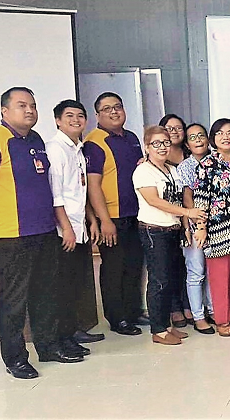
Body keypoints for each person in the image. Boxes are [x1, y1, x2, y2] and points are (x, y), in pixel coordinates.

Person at [0, 87, 82, 379]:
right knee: (13, 300)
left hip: (43, 231)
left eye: (33, 105)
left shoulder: (36, 140)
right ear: (4, 111)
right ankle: (15, 358)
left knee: (45, 294)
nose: (29, 110)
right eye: (21, 105)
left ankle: (48, 347)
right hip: (10, 236)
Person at [133, 126, 207, 345]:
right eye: (156, 143)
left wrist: (185, 226)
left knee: (171, 279)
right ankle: (158, 330)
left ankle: (167, 326)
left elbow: (179, 198)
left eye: (165, 142)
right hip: (154, 231)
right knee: (159, 280)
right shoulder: (143, 171)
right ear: (147, 147)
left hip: (173, 229)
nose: (162, 147)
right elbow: (154, 200)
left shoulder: (172, 170)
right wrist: (188, 213)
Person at [83, 92, 145, 336]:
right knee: (114, 270)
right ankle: (117, 318)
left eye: (117, 106)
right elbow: (93, 185)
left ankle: (133, 312)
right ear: (98, 114)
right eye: (107, 108)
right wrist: (105, 220)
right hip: (112, 218)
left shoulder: (131, 138)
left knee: (134, 266)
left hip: (136, 214)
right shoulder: (95, 142)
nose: (114, 112)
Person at [46, 100, 104, 354]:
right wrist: (67, 229)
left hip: (79, 226)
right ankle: (62, 337)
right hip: (64, 231)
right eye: (69, 115)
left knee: (76, 284)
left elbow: (80, 190)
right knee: (62, 286)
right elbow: (55, 195)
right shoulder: (55, 149)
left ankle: (73, 331)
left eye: (80, 115)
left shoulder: (77, 149)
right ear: (58, 121)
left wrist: (91, 219)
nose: (76, 120)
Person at [193, 119, 230, 337]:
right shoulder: (207, 165)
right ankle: (222, 320)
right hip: (217, 230)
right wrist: (201, 227)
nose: (226, 137)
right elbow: (201, 198)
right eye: (220, 133)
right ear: (213, 138)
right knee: (219, 279)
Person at [175, 123, 216, 334]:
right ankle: (198, 317)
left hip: (216, 226)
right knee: (196, 272)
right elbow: (186, 198)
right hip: (194, 226)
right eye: (192, 137)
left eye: (201, 135)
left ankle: (212, 311)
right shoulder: (185, 167)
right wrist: (195, 226)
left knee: (211, 272)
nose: (198, 140)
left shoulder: (216, 161)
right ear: (187, 144)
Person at [158, 113, 193, 327]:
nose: (174, 132)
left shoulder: (193, 153)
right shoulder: (156, 159)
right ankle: (174, 307)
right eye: (169, 128)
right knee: (170, 265)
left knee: (189, 265)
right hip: (168, 219)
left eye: (179, 128)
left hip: (191, 217)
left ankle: (189, 305)